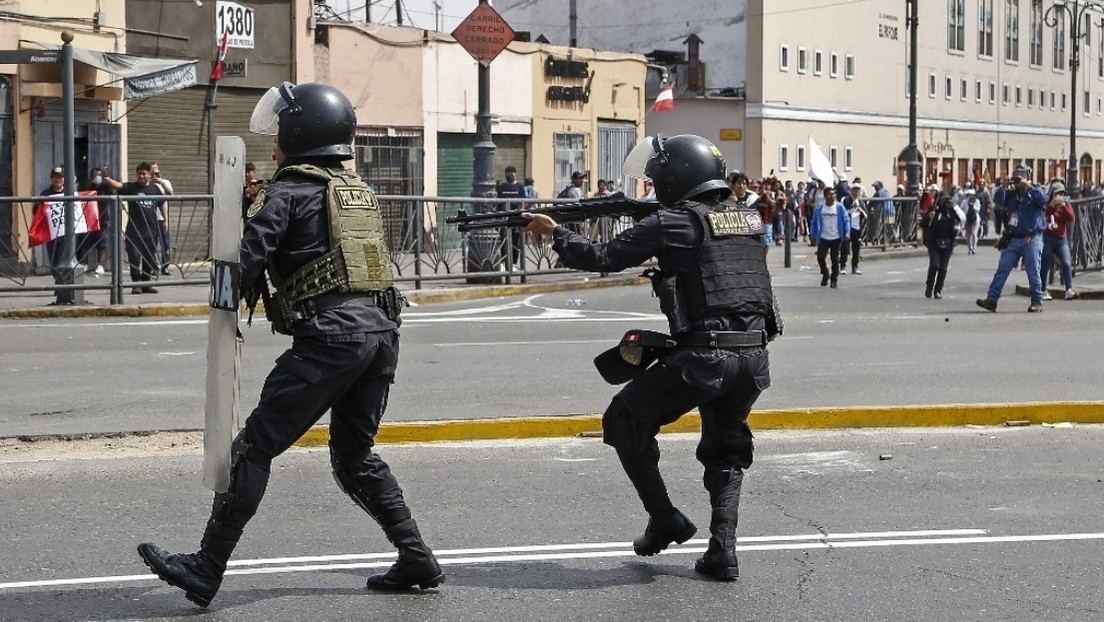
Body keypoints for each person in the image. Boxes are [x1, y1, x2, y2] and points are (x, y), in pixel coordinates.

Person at [136, 82, 443, 608]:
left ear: (300, 132)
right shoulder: (353, 190)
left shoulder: (285, 192)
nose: (273, 139)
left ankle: (206, 568)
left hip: (330, 340)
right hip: (380, 334)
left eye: (280, 129)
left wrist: (224, 271)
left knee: (254, 447)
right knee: (353, 457)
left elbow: (240, 270)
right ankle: (415, 556)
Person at [522, 134, 782, 582]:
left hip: (706, 358)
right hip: (753, 359)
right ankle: (723, 550)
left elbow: (603, 256)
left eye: (657, 178)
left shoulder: (675, 222)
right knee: (726, 451)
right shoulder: (747, 218)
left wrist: (555, 233)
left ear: (674, 177)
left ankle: (664, 517)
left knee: (624, 420)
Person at [977, 166, 1048, 313]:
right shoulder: (1010, 194)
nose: (1017, 182)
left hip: (1032, 237)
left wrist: (1028, 186)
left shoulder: (1034, 192)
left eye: (1020, 178)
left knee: (1033, 270)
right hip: (1014, 238)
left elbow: (1044, 201)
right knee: (1002, 268)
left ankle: (1036, 301)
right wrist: (1003, 186)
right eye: (1015, 179)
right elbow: (998, 201)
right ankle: (992, 299)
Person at [103, 162, 167, 294]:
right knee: (134, 257)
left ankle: (146, 283)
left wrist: (166, 221)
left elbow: (162, 203)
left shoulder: (155, 189)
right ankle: (136, 283)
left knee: (149, 257)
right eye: (139, 174)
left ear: (150, 174)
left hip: (152, 230)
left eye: (144, 174)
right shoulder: (132, 187)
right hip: (134, 230)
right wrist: (107, 179)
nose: (141, 176)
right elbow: (118, 185)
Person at [920, 194, 964, 299]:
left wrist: (955, 208)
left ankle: (938, 290)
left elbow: (961, 219)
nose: (944, 202)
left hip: (948, 243)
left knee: (943, 268)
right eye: (942, 200)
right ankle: (929, 287)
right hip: (934, 243)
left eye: (946, 200)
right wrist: (929, 218)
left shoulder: (951, 212)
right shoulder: (933, 210)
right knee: (935, 265)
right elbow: (923, 224)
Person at [1040, 181, 1076, 300]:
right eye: (1056, 194)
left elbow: (1071, 217)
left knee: (1066, 263)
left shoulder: (1066, 204)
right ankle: (1042, 289)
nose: (1059, 196)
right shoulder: (1047, 203)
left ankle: (1068, 289)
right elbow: (1044, 213)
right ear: (1052, 194)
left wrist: (1064, 206)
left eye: (1061, 193)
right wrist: (1052, 205)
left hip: (1061, 239)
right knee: (1045, 264)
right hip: (1048, 238)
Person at [809, 186, 850, 288]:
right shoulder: (820, 208)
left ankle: (834, 279)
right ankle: (825, 273)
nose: (832, 196)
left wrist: (847, 233)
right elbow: (814, 222)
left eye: (833, 194)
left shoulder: (839, 208)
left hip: (836, 237)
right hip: (823, 237)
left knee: (835, 259)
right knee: (820, 258)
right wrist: (812, 234)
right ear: (825, 196)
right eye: (829, 194)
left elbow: (846, 220)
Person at [496, 165, 526, 269]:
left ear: (515, 174)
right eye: (508, 172)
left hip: (516, 219)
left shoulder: (520, 187)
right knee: (503, 241)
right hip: (503, 219)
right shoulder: (501, 187)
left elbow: (524, 202)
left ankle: (513, 264)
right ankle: (504, 263)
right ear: (505, 174)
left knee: (515, 242)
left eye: (512, 172)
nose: (510, 175)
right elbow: (497, 203)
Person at [150, 163, 173, 275]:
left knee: (165, 243)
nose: (155, 171)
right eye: (152, 169)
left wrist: (161, 182)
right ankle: (153, 266)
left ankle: (165, 266)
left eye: (156, 168)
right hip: (151, 218)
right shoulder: (148, 183)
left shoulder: (165, 182)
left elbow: (171, 194)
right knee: (151, 244)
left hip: (162, 218)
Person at [840, 184, 866, 274]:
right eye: (854, 190)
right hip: (848, 227)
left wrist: (860, 209)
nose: (856, 192)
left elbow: (865, 215)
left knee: (856, 248)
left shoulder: (861, 202)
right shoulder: (846, 200)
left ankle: (855, 267)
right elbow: (843, 213)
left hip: (857, 227)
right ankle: (842, 266)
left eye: (858, 190)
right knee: (845, 248)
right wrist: (851, 208)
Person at [960, 188, 981, 254]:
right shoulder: (964, 202)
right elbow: (961, 210)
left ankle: (974, 248)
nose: (970, 196)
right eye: (969, 195)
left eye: (972, 195)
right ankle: (970, 248)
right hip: (967, 220)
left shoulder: (976, 201)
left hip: (975, 220)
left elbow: (978, 210)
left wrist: (972, 205)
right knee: (968, 235)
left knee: (974, 234)